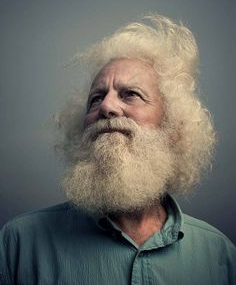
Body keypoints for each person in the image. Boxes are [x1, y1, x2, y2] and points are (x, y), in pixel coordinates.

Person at [0, 14, 235, 285]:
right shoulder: (16, 245)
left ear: (173, 128)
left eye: (130, 94)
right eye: (96, 98)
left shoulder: (219, 256)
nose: (106, 107)